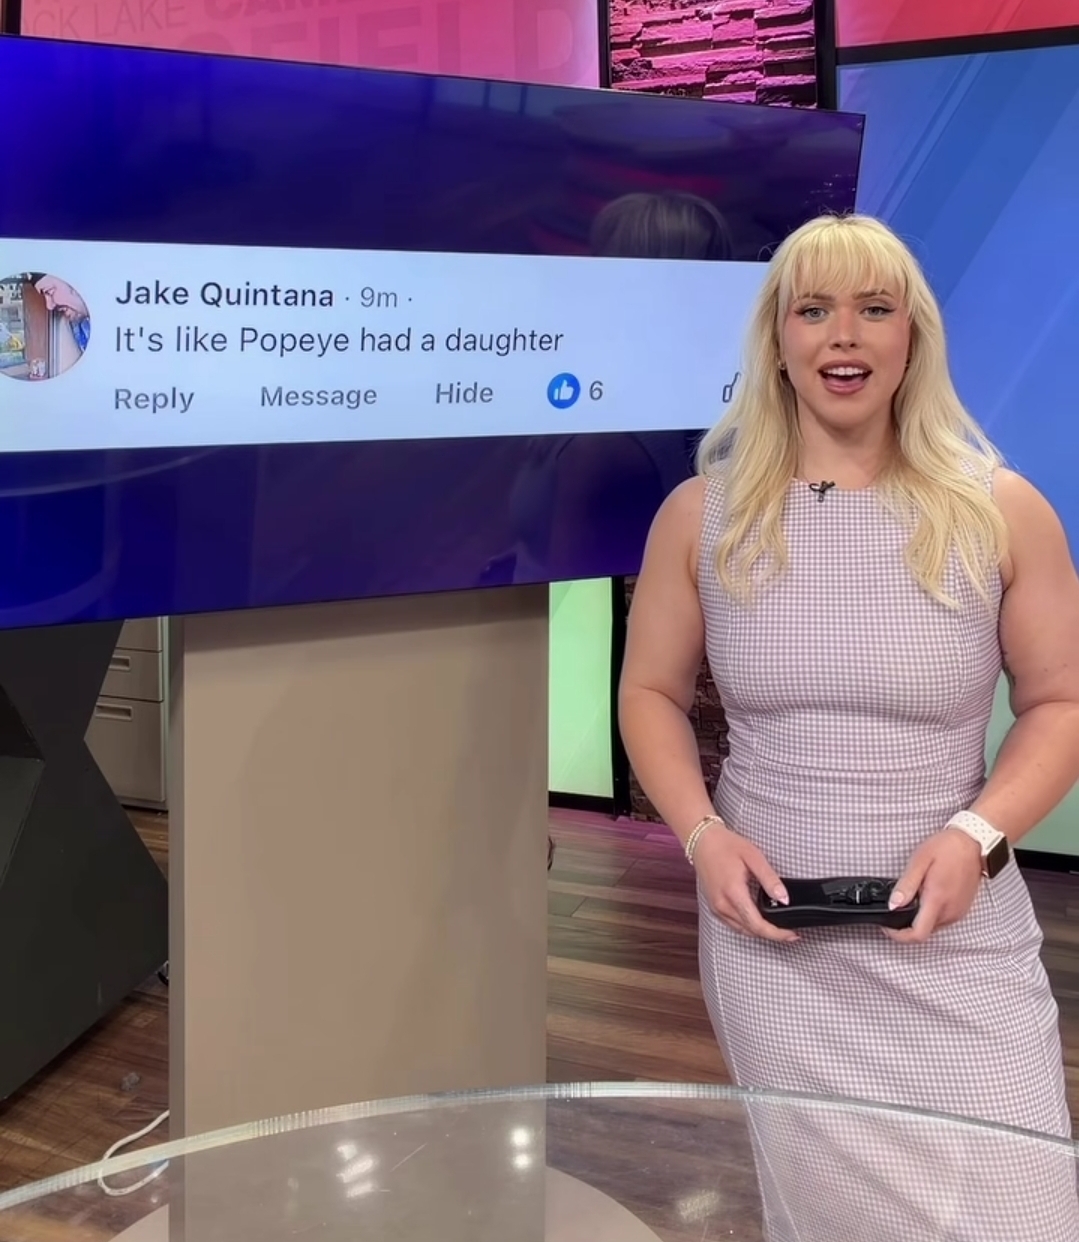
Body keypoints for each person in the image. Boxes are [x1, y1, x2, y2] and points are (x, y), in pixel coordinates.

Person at [618, 212, 1079, 1239]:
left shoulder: (1000, 511)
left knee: (1022, 1215)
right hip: (772, 944)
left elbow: (1061, 704)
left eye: (873, 309)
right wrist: (701, 837)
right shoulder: (701, 515)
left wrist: (976, 836)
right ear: (776, 338)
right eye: (813, 310)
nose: (843, 336)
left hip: (957, 936)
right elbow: (648, 692)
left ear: (911, 336)